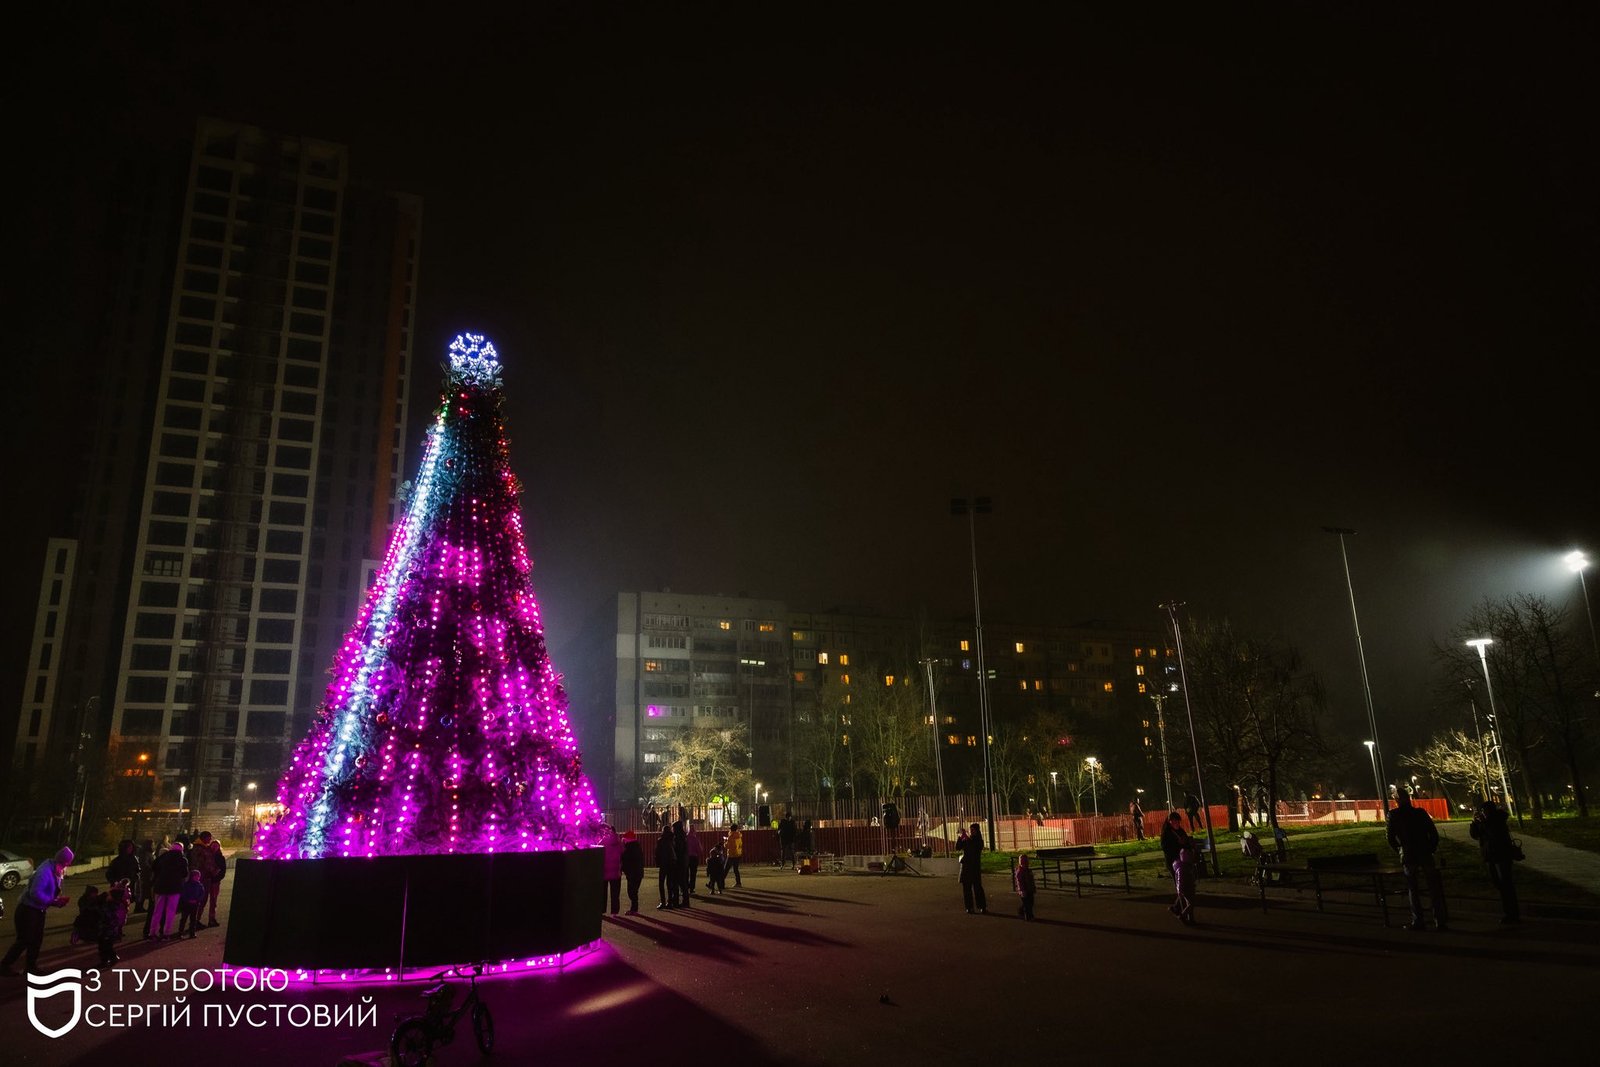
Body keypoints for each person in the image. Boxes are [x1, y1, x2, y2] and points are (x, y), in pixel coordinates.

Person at [1, 846, 73, 976]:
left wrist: (56, 900)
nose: (68, 866)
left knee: (36, 940)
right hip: (28, 910)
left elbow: (50, 889)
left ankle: (30, 966)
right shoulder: (44, 872)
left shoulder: (56, 868)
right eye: (67, 863)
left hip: (38, 910)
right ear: (62, 861)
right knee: (24, 940)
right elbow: (35, 893)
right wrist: (53, 901)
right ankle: (4, 966)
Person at [1386, 785, 1448, 931]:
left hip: (1408, 854)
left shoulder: (1393, 815)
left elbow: (1390, 838)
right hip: (1424, 852)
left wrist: (1400, 850)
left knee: (1413, 888)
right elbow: (1433, 833)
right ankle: (1439, 920)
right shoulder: (1420, 813)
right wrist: (1430, 848)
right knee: (1433, 887)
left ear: (1396, 800)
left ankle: (1418, 920)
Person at [1470, 797, 1520, 924]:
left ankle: (1511, 913)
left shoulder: (1497, 820)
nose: (1483, 813)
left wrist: (1482, 822)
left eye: (1484, 811)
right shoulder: (1486, 822)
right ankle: (1510, 911)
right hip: (1490, 857)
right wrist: (1474, 822)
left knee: (1506, 884)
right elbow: (1475, 835)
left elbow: (1492, 833)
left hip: (1501, 856)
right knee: (1499, 884)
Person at [1161, 812, 1198, 925]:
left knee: (1185, 888)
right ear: (1170, 821)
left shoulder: (1181, 831)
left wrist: (1187, 844)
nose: (1177, 823)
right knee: (1182, 888)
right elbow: (1166, 849)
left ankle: (1178, 908)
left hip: (1185, 862)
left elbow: (1186, 844)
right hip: (1175, 864)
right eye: (1175, 821)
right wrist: (1179, 845)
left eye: (1178, 821)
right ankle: (1185, 914)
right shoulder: (1167, 834)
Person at [149, 841, 189, 940]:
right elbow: (184, 873)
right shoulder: (182, 859)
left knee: (157, 911)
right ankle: (166, 933)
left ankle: (152, 932)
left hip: (160, 886)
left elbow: (154, 867)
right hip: (175, 888)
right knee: (171, 911)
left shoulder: (163, 857)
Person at [193, 831, 225, 926]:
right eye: (210, 839)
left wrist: (217, 877)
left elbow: (222, 870)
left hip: (212, 880)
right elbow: (206, 864)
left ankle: (210, 919)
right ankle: (196, 921)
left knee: (212, 901)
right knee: (202, 900)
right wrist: (214, 871)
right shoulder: (204, 850)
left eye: (216, 845)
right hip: (206, 879)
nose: (210, 840)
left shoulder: (219, 856)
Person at [956, 823, 987, 914]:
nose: (971, 832)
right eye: (970, 830)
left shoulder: (978, 841)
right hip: (966, 867)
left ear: (977, 831)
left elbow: (973, 848)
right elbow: (957, 847)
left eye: (973, 830)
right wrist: (960, 837)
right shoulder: (967, 840)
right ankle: (969, 907)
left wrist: (966, 838)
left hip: (974, 867)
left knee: (978, 888)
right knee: (967, 889)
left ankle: (982, 906)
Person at [620, 830, 645, 915]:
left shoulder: (629, 847)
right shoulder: (637, 846)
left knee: (632, 892)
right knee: (634, 891)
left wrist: (623, 869)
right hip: (638, 872)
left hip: (632, 873)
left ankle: (634, 909)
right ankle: (634, 909)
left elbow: (626, 860)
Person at [177, 870, 208, 939]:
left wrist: (197, 900)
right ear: (192, 876)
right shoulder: (186, 885)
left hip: (195, 904)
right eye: (196, 876)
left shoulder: (200, 885)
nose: (198, 877)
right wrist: (188, 900)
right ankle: (180, 932)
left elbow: (202, 894)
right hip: (187, 904)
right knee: (184, 918)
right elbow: (183, 894)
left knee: (193, 919)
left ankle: (192, 933)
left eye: (198, 876)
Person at [601, 825, 624, 916]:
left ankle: (602, 910)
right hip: (616, 870)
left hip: (605, 870)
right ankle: (615, 911)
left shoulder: (603, 841)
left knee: (603, 892)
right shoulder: (619, 841)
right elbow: (622, 852)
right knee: (615, 893)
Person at [655, 827, 677, 910]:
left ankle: (663, 902)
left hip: (664, 863)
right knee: (669, 883)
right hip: (671, 863)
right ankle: (670, 902)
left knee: (661, 883)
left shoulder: (661, 840)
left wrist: (658, 863)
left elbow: (657, 852)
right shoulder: (672, 839)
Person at [134, 839, 155, 914]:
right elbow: (144, 864)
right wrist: (152, 868)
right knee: (145, 892)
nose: (153, 846)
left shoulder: (146, 853)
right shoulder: (145, 853)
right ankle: (139, 907)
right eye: (152, 844)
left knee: (144, 892)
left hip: (146, 875)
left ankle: (139, 907)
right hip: (146, 876)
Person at [1013, 854, 1036, 921]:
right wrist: (1022, 890)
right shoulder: (1020, 871)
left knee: (1030, 902)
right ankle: (1028, 916)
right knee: (1027, 904)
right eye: (1024, 863)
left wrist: (1033, 887)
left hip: (1029, 889)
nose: (1026, 865)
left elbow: (1031, 880)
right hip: (1024, 890)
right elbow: (1019, 882)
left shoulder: (1028, 870)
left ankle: (1022, 912)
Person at [684, 820, 704, 895]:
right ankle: (692, 888)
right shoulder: (695, 839)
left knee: (686, 873)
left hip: (686, 857)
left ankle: (686, 887)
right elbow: (699, 849)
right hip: (694, 857)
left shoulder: (685, 838)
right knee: (693, 874)